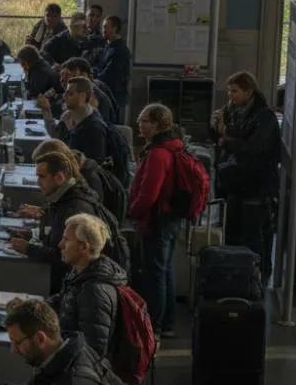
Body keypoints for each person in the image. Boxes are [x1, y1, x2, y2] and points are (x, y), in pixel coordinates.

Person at [210, 70, 281, 279]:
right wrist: (215, 128)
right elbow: (222, 137)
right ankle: (236, 276)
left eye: (234, 91)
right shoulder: (231, 110)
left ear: (249, 91)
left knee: (253, 235)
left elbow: (252, 147)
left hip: (257, 186)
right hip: (235, 183)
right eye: (229, 91)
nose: (230, 96)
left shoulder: (265, 117)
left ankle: (258, 277)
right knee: (232, 232)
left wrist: (226, 139)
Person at [10, 153, 110, 294]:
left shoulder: (75, 209)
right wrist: (31, 234)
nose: (38, 183)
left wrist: (29, 249)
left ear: (59, 177)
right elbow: (53, 236)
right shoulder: (60, 199)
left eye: (42, 177)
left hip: (70, 284)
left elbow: (64, 256)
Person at [128, 103, 187, 337]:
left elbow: (149, 194)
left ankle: (155, 325)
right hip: (170, 219)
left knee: (154, 274)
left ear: (157, 125)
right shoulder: (173, 147)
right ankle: (167, 321)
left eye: (144, 121)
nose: (139, 124)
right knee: (165, 269)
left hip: (156, 220)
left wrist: (133, 210)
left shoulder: (158, 154)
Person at [49, 214, 126, 358]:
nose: (60, 245)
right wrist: (36, 307)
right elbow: (65, 300)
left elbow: (92, 351)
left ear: (83, 247)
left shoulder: (94, 292)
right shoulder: (80, 271)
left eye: (66, 240)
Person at [38, 77, 107, 163]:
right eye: (65, 93)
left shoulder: (95, 127)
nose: (64, 96)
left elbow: (95, 164)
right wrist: (46, 111)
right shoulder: (67, 115)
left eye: (70, 94)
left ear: (82, 97)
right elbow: (57, 136)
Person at [95, 15, 131, 119]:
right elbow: (100, 66)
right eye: (103, 27)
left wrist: (92, 77)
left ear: (114, 28)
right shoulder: (108, 46)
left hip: (114, 97)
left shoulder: (120, 50)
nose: (103, 30)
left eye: (106, 27)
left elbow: (109, 75)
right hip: (106, 94)